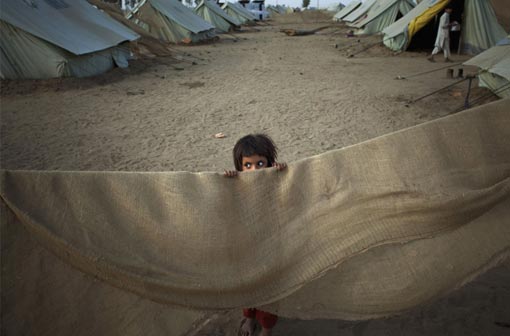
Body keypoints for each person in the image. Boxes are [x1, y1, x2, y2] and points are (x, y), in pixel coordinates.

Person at [224, 133, 287, 336]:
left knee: (269, 293)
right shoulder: (237, 186)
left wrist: (282, 174)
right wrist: (227, 183)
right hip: (247, 250)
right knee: (248, 287)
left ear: (270, 163)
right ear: (239, 167)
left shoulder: (274, 182)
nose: (254, 170)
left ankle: (267, 329)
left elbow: (289, 194)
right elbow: (227, 205)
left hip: (271, 251)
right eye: (248, 165)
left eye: (260, 163)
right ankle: (249, 318)